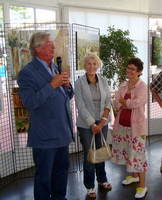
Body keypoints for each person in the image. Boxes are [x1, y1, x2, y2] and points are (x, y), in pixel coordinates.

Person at [17, 32, 74, 200]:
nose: (53, 47)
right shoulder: (27, 72)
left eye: (52, 44)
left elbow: (67, 96)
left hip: (62, 132)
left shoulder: (55, 67)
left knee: (62, 172)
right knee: (44, 177)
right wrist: (52, 85)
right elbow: (29, 102)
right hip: (45, 136)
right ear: (38, 48)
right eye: (49, 44)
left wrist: (68, 85)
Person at [74, 53, 112, 198]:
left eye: (94, 63)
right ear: (85, 65)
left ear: (98, 65)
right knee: (89, 155)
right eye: (89, 63)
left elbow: (108, 100)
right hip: (86, 125)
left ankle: (102, 179)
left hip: (102, 122)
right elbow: (80, 105)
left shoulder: (103, 80)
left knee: (101, 151)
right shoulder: (79, 83)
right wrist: (92, 123)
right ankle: (90, 186)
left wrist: (102, 121)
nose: (92, 66)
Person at [111, 58, 148, 199]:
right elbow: (116, 103)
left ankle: (143, 186)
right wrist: (126, 103)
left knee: (138, 156)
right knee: (128, 152)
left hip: (136, 128)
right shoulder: (123, 85)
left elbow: (139, 102)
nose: (130, 71)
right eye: (128, 68)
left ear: (139, 72)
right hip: (122, 127)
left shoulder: (142, 86)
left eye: (133, 69)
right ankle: (134, 176)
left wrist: (124, 102)